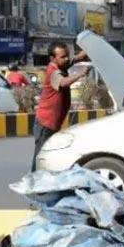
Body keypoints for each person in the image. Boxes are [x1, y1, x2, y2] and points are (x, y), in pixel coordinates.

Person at [32, 42, 88, 170]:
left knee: (48, 155)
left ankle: (41, 182)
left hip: (53, 123)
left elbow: (74, 59)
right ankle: (34, 183)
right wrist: (80, 74)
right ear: (52, 58)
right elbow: (63, 83)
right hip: (45, 124)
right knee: (41, 156)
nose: (66, 59)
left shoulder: (61, 65)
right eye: (63, 57)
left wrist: (86, 52)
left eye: (66, 55)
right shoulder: (53, 71)